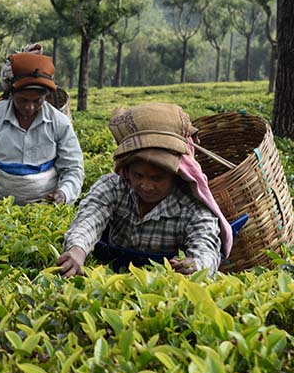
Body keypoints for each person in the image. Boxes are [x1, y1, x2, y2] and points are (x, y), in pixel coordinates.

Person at [55, 103, 234, 278]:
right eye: (138, 175)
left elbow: (206, 247)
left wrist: (196, 265)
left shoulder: (192, 204)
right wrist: (77, 251)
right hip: (113, 275)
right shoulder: (114, 186)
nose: (146, 186)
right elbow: (89, 219)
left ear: (175, 175)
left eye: (157, 178)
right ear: (127, 171)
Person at [0, 44, 84, 205]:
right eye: (23, 100)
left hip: (46, 209)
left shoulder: (59, 122)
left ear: (46, 97)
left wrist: (63, 194)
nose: (29, 107)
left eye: (37, 101)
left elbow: (73, 168)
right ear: (11, 93)